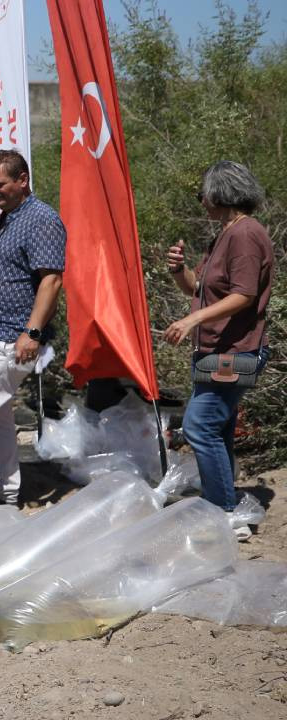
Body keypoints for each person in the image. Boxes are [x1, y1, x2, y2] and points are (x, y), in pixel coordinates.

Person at [163, 160, 272, 541]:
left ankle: (225, 511)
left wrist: (191, 321)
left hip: (235, 352)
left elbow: (244, 295)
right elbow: (199, 290)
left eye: (203, 194)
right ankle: (222, 504)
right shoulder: (224, 234)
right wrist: (179, 271)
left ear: (221, 193)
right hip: (215, 351)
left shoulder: (245, 235)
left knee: (199, 425)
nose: (200, 201)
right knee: (218, 428)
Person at [0, 149, 66, 508]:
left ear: (23, 180)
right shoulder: (10, 217)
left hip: (11, 336)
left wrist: (32, 333)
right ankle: (5, 492)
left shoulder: (40, 219)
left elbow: (51, 281)